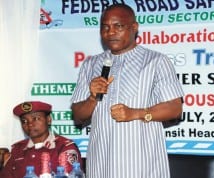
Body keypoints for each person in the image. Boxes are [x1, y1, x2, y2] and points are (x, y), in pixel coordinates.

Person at [70, 3, 184, 178]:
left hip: (141, 164)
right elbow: (78, 116)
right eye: (105, 27)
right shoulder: (91, 64)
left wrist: (135, 113)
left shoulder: (156, 61)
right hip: (101, 163)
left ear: (134, 27)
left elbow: (175, 109)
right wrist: (92, 98)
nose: (111, 32)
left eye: (118, 26)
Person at [0, 101, 83, 178]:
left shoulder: (64, 147)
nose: (30, 124)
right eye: (24, 121)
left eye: (36, 118)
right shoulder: (17, 149)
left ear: (49, 120)